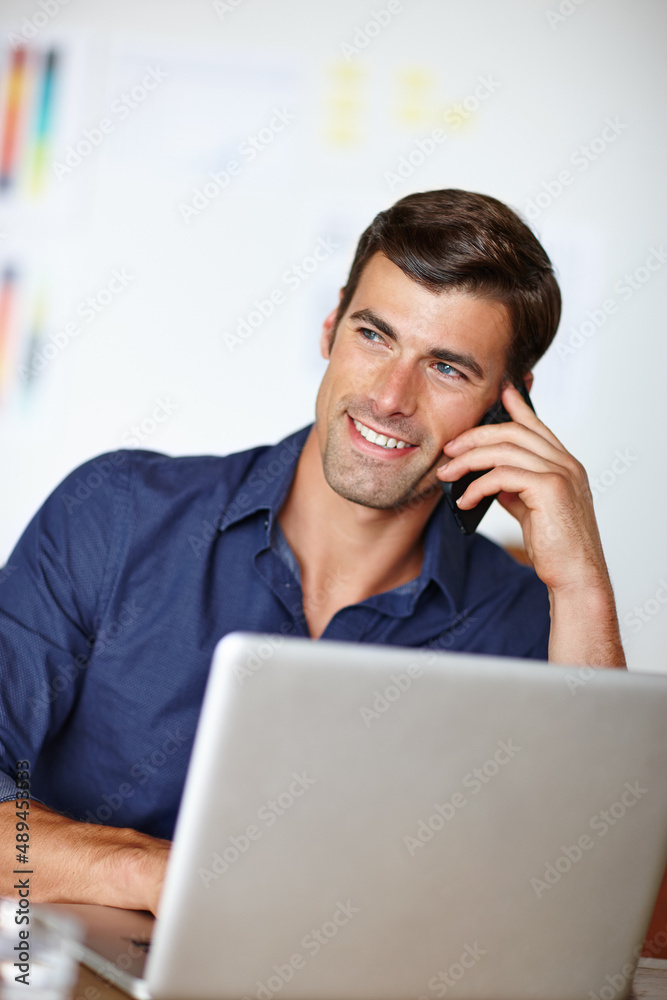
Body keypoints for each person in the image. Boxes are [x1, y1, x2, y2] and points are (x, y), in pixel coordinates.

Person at [0, 189, 625, 915]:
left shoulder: (523, 625)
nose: (391, 397)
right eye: (374, 335)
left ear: (508, 402)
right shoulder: (115, 515)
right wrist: (159, 877)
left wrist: (580, 584)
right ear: (331, 326)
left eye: (446, 367)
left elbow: (591, 906)